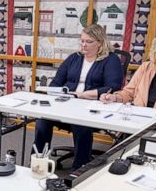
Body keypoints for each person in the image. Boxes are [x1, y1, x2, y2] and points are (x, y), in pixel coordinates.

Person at [31, 24, 123, 169]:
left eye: (89, 41)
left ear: (100, 42)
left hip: (91, 107)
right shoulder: (74, 58)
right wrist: (57, 93)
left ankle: (79, 168)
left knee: (80, 123)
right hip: (67, 104)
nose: (84, 45)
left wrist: (86, 94)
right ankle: (38, 162)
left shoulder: (111, 60)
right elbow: (56, 82)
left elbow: (114, 87)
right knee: (42, 121)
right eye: (82, 41)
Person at [99, 34, 156, 112]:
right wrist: (114, 97)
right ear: (154, 55)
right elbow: (128, 93)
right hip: (138, 118)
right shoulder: (146, 67)